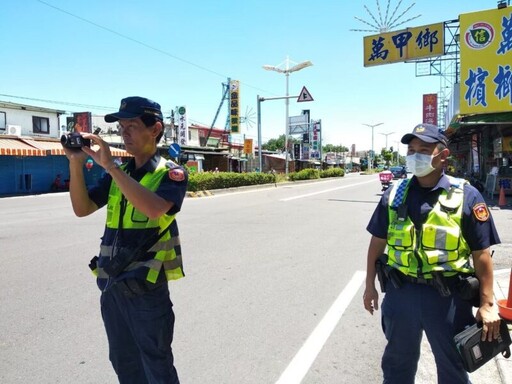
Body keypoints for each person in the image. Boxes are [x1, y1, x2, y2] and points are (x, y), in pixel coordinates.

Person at [363, 123, 501, 384]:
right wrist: (369, 285)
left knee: (453, 369)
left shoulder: (466, 195)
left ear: (443, 156)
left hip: (447, 298)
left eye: (424, 150)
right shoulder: (393, 194)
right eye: (411, 150)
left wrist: (487, 303)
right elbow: (376, 243)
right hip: (401, 291)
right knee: (396, 366)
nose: (416, 156)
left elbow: (481, 255)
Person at [63, 96, 188, 384]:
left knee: (156, 364)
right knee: (123, 361)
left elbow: (155, 209)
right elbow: (82, 209)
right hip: (111, 285)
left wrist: (112, 168)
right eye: (121, 126)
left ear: (155, 129)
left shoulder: (171, 173)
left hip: (146, 289)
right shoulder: (119, 173)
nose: (124, 132)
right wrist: (75, 162)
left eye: (132, 125)